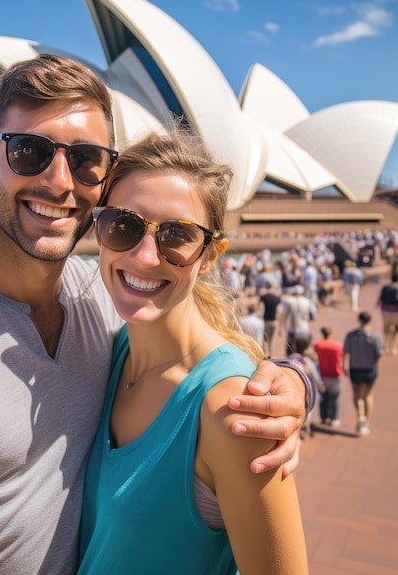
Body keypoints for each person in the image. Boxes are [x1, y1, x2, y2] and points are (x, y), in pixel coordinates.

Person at [0, 54, 310, 575]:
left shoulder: (106, 301)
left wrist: (291, 379)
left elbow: (198, 346)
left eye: (85, 159)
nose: (59, 182)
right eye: (29, 152)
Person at [79, 130, 308, 574]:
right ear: (99, 229)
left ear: (210, 255)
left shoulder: (232, 411)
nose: (146, 256)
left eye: (177, 235)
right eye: (122, 225)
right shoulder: (113, 348)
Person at [343, 311, 383, 436]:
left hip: (355, 368)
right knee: (368, 396)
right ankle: (366, 423)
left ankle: (360, 415)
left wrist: (344, 365)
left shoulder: (351, 335)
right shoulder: (375, 337)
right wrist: (376, 366)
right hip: (369, 369)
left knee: (357, 395)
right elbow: (379, 354)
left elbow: (345, 351)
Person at [313, 326, 345, 426]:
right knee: (335, 398)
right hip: (334, 375)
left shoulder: (318, 345)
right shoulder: (338, 345)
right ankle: (335, 418)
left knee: (324, 397)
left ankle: (324, 417)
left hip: (323, 374)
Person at [280, 283, 317, 355]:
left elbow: (284, 315)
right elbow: (313, 316)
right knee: (303, 350)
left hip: (292, 329)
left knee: (290, 351)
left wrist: (282, 327)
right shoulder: (307, 301)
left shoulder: (288, 301)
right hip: (304, 329)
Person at [256, 277, 281, 355]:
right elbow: (279, 311)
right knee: (272, 340)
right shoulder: (277, 298)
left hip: (266, 321)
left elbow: (259, 307)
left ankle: (266, 354)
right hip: (274, 321)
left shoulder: (264, 297)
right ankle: (271, 354)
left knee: (265, 340)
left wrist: (259, 314)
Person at [377, 272, 398, 354]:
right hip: (396, 312)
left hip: (385, 311)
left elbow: (380, 298)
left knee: (386, 329)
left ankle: (385, 346)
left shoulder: (385, 287)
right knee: (395, 330)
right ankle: (392, 347)